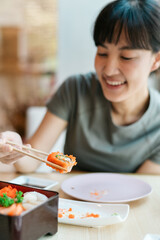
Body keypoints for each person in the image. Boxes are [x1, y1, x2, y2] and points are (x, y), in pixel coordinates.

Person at [0, 0, 160, 174]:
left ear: (156, 60)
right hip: (71, 199)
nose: (109, 69)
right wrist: (16, 148)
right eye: (102, 53)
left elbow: (143, 187)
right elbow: (31, 162)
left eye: (126, 57)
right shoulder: (75, 89)